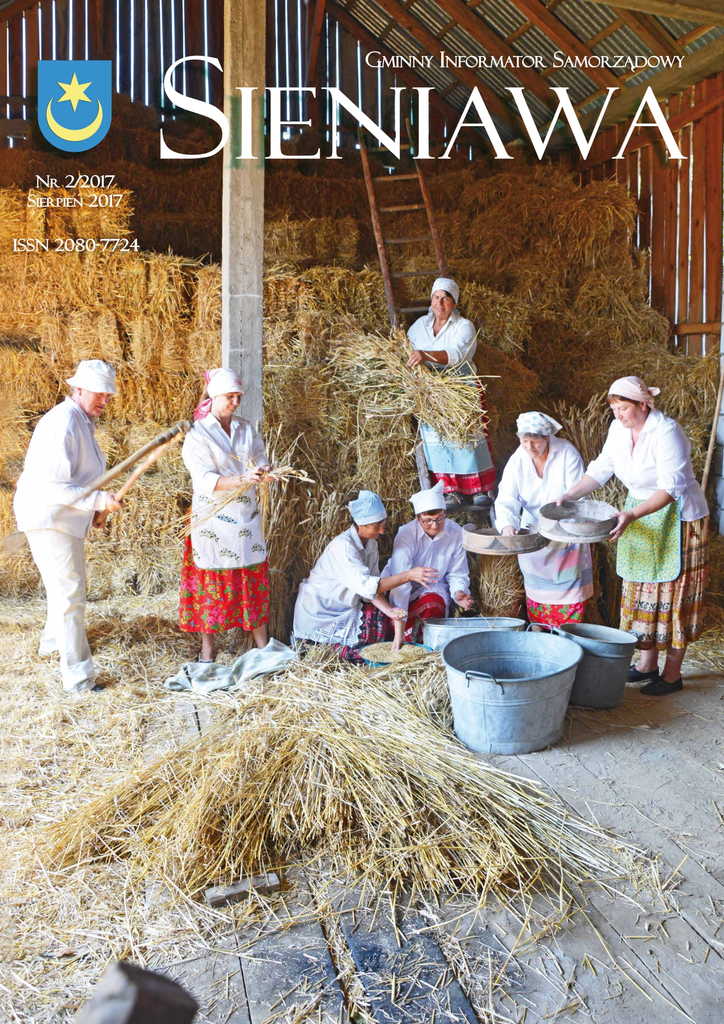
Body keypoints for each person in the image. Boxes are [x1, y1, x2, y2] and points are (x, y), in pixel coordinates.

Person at [559, 377, 709, 696]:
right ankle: (645, 664)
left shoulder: (666, 432)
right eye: (614, 408)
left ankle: (671, 674)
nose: (618, 415)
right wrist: (570, 495)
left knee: (671, 593)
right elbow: (601, 469)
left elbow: (671, 488)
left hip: (676, 516)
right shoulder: (618, 430)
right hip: (638, 513)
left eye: (624, 408)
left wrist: (631, 515)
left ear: (644, 404)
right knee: (643, 587)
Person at [13, 359, 122, 696]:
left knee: (62, 590)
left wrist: (96, 510)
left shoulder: (80, 421)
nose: (104, 400)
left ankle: (51, 645)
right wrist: (97, 501)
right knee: (71, 595)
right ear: (78, 389)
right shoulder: (62, 423)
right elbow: (52, 488)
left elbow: (81, 480)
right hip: (49, 518)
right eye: (99, 394)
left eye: (107, 395)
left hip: (60, 517)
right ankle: (78, 680)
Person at [180, 367, 272, 662]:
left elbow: (260, 457)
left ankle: (262, 644)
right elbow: (205, 479)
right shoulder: (198, 434)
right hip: (214, 520)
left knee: (251, 574)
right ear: (214, 396)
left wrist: (265, 471)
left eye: (238, 397)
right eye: (229, 397)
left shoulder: (246, 428)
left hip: (245, 515)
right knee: (211, 580)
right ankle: (209, 648)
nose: (234, 402)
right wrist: (244, 480)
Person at [292, 490, 437, 661]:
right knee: (361, 651)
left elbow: (372, 590)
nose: (382, 531)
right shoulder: (343, 548)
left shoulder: (371, 544)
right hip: (322, 613)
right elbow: (369, 587)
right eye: (377, 526)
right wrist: (408, 575)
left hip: (347, 607)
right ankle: (315, 646)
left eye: (383, 524)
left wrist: (390, 611)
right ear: (361, 524)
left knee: (381, 623)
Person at [494, 411, 593, 627]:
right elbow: (507, 497)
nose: (529, 447)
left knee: (569, 596)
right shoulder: (518, 459)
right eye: (524, 441)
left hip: (566, 534)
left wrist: (563, 527)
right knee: (539, 597)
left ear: (547, 437)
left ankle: (567, 639)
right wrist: (507, 525)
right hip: (533, 537)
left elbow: (578, 496)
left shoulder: (567, 453)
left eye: (535, 441)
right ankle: (543, 639)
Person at [407, 277, 495, 510]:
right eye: (437, 297)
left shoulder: (464, 326)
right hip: (430, 389)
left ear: (454, 303)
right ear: (431, 299)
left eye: (446, 298)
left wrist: (425, 355)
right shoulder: (418, 327)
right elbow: (407, 350)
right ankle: (450, 490)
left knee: (467, 438)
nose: (440, 302)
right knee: (438, 440)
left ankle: (479, 489)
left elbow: (457, 353)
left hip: (460, 387)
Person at [382, 481, 474, 642]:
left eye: (440, 519)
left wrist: (459, 592)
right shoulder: (406, 534)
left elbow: (458, 572)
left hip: (433, 588)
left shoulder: (456, 533)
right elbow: (400, 580)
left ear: (445, 513)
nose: (435, 525)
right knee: (392, 622)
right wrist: (399, 622)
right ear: (418, 518)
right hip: (402, 588)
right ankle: (405, 636)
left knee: (433, 604)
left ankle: (425, 643)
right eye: (428, 520)